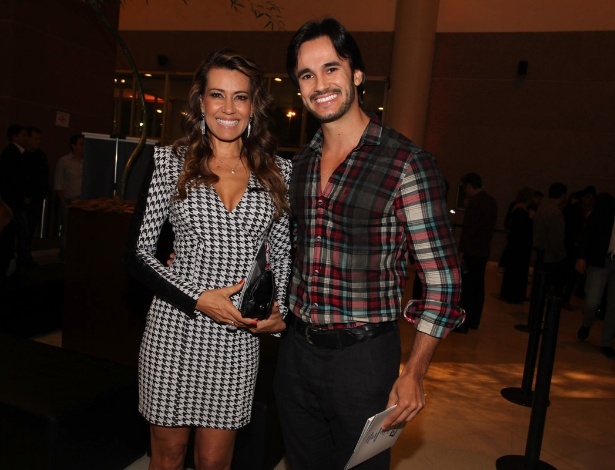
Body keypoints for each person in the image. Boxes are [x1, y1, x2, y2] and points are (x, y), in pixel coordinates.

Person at [274, 18, 464, 470]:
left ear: (357, 74)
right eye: (307, 74)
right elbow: (291, 251)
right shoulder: (301, 164)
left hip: (364, 361)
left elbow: (444, 282)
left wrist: (414, 371)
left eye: (331, 68)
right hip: (296, 354)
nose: (320, 84)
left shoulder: (406, 163)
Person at [124, 49, 291, 469]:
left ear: (254, 105)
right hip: (174, 328)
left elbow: (283, 252)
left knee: (215, 461)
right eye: (218, 95)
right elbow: (138, 253)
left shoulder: (278, 172)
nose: (228, 108)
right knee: (168, 455)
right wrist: (197, 298)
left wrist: (281, 311)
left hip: (237, 336)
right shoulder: (170, 162)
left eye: (240, 96)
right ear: (201, 102)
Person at [575, 192, 615, 359]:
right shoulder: (605, 208)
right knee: (592, 301)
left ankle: (606, 343)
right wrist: (581, 256)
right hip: (600, 259)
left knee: (614, 306)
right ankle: (587, 323)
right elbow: (588, 232)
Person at [457, 172, 498, 331]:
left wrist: (461, 252)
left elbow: (469, 230)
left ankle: (463, 323)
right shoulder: (491, 201)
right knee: (478, 286)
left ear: (469, 186)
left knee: (467, 287)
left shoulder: (475, 203)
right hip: (483, 251)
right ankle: (474, 320)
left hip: (471, 251)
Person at [18, 126, 50, 266]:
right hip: (23, 200)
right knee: (22, 229)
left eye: (40, 139)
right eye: (36, 138)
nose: (39, 142)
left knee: (30, 229)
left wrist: (42, 194)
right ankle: (21, 256)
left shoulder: (40, 156)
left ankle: (25, 255)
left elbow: (44, 176)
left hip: (36, 199)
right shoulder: (22, 155)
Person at [0, 124, 29, 272]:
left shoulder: (16, 153)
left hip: (13, 200)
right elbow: (14, 180)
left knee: (16, 233)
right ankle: (11, 264)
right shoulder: (12, 153)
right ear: (14, 137)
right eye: (23, 135)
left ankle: (13, 262)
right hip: (13, 201)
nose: (26, 138)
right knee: (14, 233)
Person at [500, 187, 534, 303]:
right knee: (517, 272)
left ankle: (511, 294)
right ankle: (514, 295)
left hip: (515, 246)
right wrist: (531, 219)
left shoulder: (516, 207)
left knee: (513, 271)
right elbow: (523, 229)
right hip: (519, 247)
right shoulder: (520, 210)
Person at [533, 182, 567, 297]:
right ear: (563, 195)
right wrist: (561, 255)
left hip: (539, 251)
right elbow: (556, 237)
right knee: (548, 287)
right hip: (550, 255)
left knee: (539, 286)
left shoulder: (542, 208)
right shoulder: (556, 212)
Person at [54, 133, 84, 259]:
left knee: (81, 230)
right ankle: (64, 255)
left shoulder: (86, 161)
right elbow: (58, 184)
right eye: (81, 144)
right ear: (73, 145)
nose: (84, 147)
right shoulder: (64, 161)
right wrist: (64, 203)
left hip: (83, 202)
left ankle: (77, 254)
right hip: (69, 200)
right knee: (66, 229)